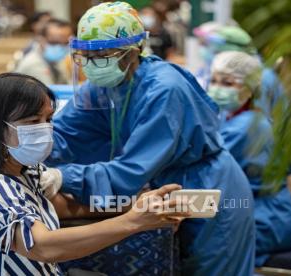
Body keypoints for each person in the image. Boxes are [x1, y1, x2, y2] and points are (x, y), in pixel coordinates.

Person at [45, 2, 255, 275]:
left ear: (133, 52)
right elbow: (65, 133)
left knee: (207, 267)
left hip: (207, 188)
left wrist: (61, 177)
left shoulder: (164, 89)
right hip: (164, 187)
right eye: (86, 55)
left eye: (103, 54)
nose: (93, 64)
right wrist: (29, 149)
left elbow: (129, 172)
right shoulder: (102, 86)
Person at [0, 72, 189, 275]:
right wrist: (131, 222)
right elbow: (42, 246)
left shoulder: (24, 170)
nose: (45, 129)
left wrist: (135, 206)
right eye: (33, 121)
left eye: (49, 119)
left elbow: (62, 206)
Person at [207, 51, 291, 267]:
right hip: (264, 209)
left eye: (228, 83)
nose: (217, 88)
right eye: (214, 80)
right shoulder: (235, 116)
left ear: (249, 88)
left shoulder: (245, 127)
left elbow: (210, 169)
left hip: (264, 217)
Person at [15, 18, 72, 85]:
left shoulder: (55, 61)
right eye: (55, 42)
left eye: (65, 42)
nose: (61, 46)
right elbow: (49, 92)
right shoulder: (34, 64)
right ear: (40, 39)